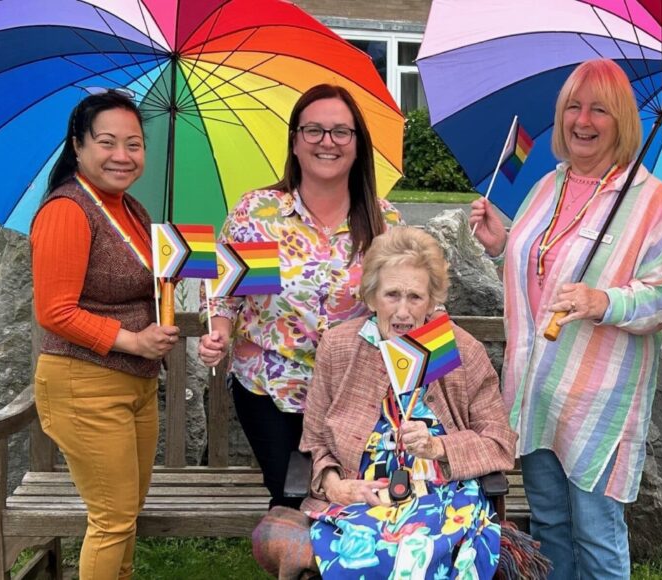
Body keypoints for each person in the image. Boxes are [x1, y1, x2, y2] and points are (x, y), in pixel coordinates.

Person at [469, 59, 662, 579]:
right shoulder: (547, 185)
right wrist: (502, 247)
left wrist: (604, 302)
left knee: (596, 531)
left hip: (598, 403)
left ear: (622, 122)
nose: (583, 120)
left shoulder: (649, 200)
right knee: (548, 524)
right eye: (573, 106)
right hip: (536, 391)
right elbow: (542, 270)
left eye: (599, 109)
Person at [250, 226, 518, 579]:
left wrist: (438, 446)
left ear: (433, 300)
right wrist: (335, 487)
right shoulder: (340, 347)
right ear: (372, 296)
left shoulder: (462, 351)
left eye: (416, 297)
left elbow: (500, 443)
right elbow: (314, 440)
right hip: (360, 492)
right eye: (392, 295)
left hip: (442, 491)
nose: (403, 312)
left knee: (414, 548)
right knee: (367, 551)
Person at [197, 84, 403, 510]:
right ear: (294, 141)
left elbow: (411, 305)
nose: (327, 142)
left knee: (356, 503)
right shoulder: (260, 213)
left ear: (357, 144)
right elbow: (226, 293)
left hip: (354, 393)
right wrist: (218, 333)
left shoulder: (385, 222)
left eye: (340, 132)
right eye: (314, 130)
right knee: (294, 498)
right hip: (270, 388)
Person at [30, 90, 181, 579]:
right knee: (113, 518)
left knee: (125, 515)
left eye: (134, 144)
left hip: (133, 386)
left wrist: (173, 271)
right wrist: (134, 341)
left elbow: (140, 279)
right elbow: (55, 312)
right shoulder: (67, 210)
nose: (123, 155)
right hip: (85, 385)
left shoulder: (131, 209)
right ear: (78, 145)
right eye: (108, 142)